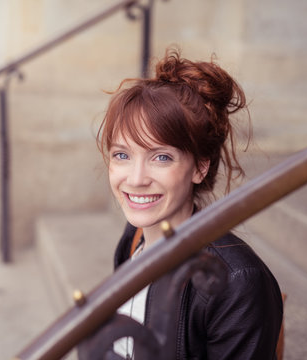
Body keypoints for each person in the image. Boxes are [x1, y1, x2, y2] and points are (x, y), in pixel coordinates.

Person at [91, 48, 284, 359]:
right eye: (122, 155)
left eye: (161, 157)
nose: (136, 178)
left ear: (199, 167)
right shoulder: (134, 237)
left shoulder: (237, 282)